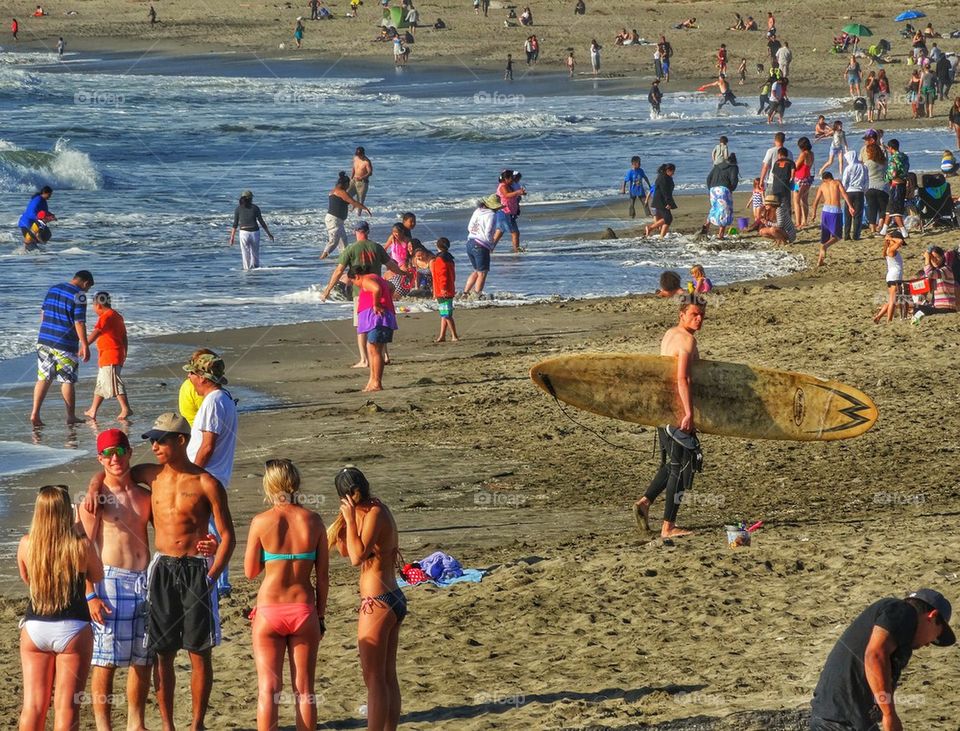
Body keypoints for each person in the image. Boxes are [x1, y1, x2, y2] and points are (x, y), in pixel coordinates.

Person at [97, 412, 234, 731]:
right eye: (152, 440)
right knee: (162, 651)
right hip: (162, 569)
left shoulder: (206, 482)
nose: (154, 446)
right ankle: (168, 725)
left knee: (199, 651)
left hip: (196, 571)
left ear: (181, 441)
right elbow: (109, 472)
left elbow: (228, 535)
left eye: (161, 440)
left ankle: (197, 724)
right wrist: (92, 487)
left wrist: (213, 573)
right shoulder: (151, 474)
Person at [244, 459, 329, 731]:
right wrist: (320, 614)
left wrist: (273, 556)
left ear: (269, 485)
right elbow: (323, 577)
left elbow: (250, 571)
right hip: (304, 609)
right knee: (304, 689)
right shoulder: (314, 521)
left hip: (269, 610)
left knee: (268, 689)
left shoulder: (261, 522)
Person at [78, 429, 153, 731]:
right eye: (107, 453)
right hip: (110, 581)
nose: (114, 458)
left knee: (144, 659)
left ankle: (136, 723)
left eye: (119, 451)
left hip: (145, 580)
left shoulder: (146, 494)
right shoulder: (96, 499)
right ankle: (103, 726)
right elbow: (83, 548)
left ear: (129, 452)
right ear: (100, 458)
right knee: (105, 660)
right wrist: (90, 594)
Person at [18, 485, 103, 731]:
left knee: (33, 705)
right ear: (68, 511)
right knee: (66, 706)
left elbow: (28, 579)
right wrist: (79, 529)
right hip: (73, 627)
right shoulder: (80, 545)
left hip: (36, 626)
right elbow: (96, 575)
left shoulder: (26, 544)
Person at [328, 466, 406, 731]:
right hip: (391, 599)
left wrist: (350, 520)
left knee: (374, 679)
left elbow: (356, 558)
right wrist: (344, 526)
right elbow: (345, 549)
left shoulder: (374, 513)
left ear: (353, 493)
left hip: (378, 602)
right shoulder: (373, 510)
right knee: (385, 676)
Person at [810, 589, 955, 730]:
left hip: (839, 717)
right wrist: (889, 714)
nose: (929, 643)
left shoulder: (898, 630)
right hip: (838, 720)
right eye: (937, 636)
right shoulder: (903, 611)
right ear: (932, 616)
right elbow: (875, 656)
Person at [634, 299, 704, 538]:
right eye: (694, 314)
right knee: (682, 467)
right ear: (681, 314)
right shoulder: (687, 340)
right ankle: (668, 527)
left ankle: (645, 502)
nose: (699, 319)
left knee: (671, 463)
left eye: (702, 315)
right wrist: (689, 413)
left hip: (661, 409)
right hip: (676, 411)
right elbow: (682, 379)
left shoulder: (669, 334)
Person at [185, 353, 239, 596]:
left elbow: (207, 445)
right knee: (213, 528)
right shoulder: (223, 398)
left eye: (192, 373)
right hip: (214, 474)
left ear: (203, 377)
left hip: (208, 475)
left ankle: (219, 583)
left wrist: (192, 474)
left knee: (213, 530)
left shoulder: (213, 401)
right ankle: (218, 581)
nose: (189, 377)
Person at [320, 222, 403, 367]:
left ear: (355, 232)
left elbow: (339, 271)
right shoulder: (376, 247)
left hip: (361, 292)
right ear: (368, 231)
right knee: (379, 323)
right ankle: (384, 356)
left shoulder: (351, 249)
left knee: (362, 327)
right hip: (379, 289)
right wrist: (403, 273)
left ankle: (364, 359)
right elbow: (391, 265)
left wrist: (327, 290)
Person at [30, 270, 94, 427]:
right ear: (86, 283)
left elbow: (43, 314)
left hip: (44, 339)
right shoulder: (79, 295)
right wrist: (85, 344)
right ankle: (70, 416)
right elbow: (79, 322)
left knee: (43, 377)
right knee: (67, 380)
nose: (87, 291)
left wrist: (47, 330)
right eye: (89, 288)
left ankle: (35, 414)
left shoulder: (54, 288)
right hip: (65, 343)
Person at [83, 291, 133, 422]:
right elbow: (124, 337)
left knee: (114, 382)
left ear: (98, 305)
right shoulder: (117, 316)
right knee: (101, 384)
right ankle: (93, 410)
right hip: (111, 355)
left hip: (110, 356)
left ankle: (125, 408)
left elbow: (97, 332)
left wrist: (84, 345)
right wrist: (124, 352)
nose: (93, 309)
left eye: (93, 306)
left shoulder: (106, 317)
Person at [352, 270, 398, 392]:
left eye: (353, 282)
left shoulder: (367, 280)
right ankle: (372, 381)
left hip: (378, 320)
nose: (355, 285)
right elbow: (391, 287)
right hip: (379, 319)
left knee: (375, 350)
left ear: (357, 276)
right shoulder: (377, 278)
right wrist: (387, 300)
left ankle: (376, 382)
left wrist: (377, 304)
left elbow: (377, 289)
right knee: (372, 349)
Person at [463, 194, 508, 297]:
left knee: (476, 271)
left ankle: (465, 293)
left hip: (470, 242)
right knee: (482, 273)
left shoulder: (477, 211)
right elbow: (488, 232)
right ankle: (477, 295)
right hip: (481, 245)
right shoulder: (492, 215)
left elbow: (469, 227)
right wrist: (491, 243)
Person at [321, 171, 371, 259]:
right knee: (333, 241)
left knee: (343, 242)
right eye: (348, 184)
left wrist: (353, 205)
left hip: (337, 220)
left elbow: (344, 203)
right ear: (345, 184)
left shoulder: (335, 191)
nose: (349, 186)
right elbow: (353, 202)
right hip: (334, 220)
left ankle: (345, 260)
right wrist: (365, 208)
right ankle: (321, 259)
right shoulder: (341, 192)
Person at [811, 172, 856, 266]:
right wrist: (850, 207)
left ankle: (820, 261)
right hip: (835, 211)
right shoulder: (837, 182)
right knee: (837, 236)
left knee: (825, 237)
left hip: (825, 211)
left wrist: (814, 214)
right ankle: (825, 247)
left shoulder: (822, 186)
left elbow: (815, 201)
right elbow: (844, 194)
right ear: (831, 177)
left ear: (824, 179)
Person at [229, 190, 274, 271]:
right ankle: (255, 270)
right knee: (255, 253)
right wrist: (268, 233)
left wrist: (232, 237)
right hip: (255, 232)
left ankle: (246, 271)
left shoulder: (238, 209)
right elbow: (261, 222)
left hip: (243, 233)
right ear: (250, 199)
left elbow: (235, 224)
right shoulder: (255, 208)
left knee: (245, 253)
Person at [914, 246, 957, 320]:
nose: (934, 260)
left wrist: (927, 258)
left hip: (947, 307)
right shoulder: (937, 272)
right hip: (938, 306)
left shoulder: (946, 270)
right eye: (932, 258)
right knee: (917, 307)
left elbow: (930, 273)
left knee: (918, 310)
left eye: (937, 257)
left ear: (943, 257)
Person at [703, 153, 739, 239]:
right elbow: (734, 180)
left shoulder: (717, 166)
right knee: (725, 211)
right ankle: (720, 235)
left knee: (714, 208)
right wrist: (731, 189)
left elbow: (708, 178)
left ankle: (706, 227)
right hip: (724, 190)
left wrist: (710, 188)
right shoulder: (734, 167)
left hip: (713, 189)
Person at [430, 237, 459, 342]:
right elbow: (452, 276)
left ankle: (454, 335)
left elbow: (442, 276)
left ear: (438, 246)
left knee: (446, 314)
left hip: (443, 291)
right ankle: (442, 336)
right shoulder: (450, 259)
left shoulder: (439, 259)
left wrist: (442, 289)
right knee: (444, 314)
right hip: (449, 289)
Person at [873, 231, 905, 323]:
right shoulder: (891, 249)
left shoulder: (888, 249)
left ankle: (879, 316)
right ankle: (889, 320)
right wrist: (890, 238)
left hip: (891, 276)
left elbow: (899, 242)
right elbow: (900, 241)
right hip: (895, 276)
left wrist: (889, 239)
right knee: (893, 300)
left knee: (891, 299)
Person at [879, 139, 909, 238]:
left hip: (896, 185)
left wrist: (886, 177)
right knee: (889, 209)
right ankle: (883, 231)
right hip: (902, 184)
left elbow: (893, 173)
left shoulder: (893, 158)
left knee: (895, 211)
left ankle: (904, 232)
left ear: (891, 148)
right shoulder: (904, 156)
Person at [18, 185, 56, 251]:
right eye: (49, 195)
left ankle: (32, 246)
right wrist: (39, 218)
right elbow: (30, 213)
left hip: (35, 223)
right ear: (44, 193)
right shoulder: (37, 200)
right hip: (26, 223)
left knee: (47, 235)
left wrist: (51, 215)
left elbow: (44, 212)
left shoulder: (43, 201)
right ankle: (24, 253)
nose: (50, 196)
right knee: (31, 245)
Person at [841, 150, 868, 241]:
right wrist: (864, 190)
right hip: (859, 192)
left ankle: (846, 234)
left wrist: (843, 191)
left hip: (849, 192)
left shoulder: (848, 168)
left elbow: (844, 182)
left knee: (847, 213)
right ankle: (856, 235)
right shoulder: (863, 167)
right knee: (858, 215)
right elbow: (866, 180)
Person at [497, 169, 526, 253]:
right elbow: (506, 195)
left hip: (510, 212)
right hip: (504, 211)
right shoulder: (502, 186)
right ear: (506, 178)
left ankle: (490, 248)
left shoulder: (509, 186)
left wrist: (520, 194)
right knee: (515, 232)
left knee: (500, 231)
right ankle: (516, 249)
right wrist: (517, 192)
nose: (513, 181)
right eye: (511, 179)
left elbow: (514, 196)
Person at [645, 163, 677, 237]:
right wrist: (668, 203)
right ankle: (651, 229)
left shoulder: (664, 177)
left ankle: (661, 236)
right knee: (668, 218)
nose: (673, 173)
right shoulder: (663, 178)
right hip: (661, 201)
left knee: (667, 218)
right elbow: (665, 192)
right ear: (668, 170)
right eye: (673, 171)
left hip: (660, 201)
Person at [792, 137, 814, 228]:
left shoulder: (803, 154)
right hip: (807, 179)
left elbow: (796, 166)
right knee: (804, 200)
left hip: (799, 180)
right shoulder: (811, 153)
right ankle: (805, 221)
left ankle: (798, 222)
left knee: (796, 200)